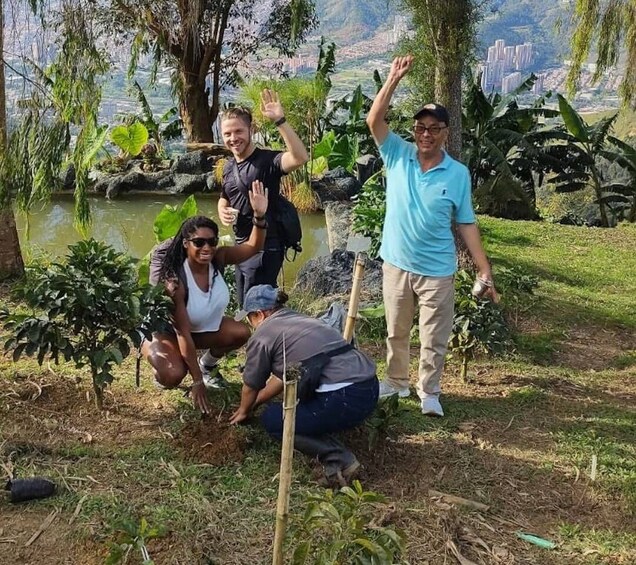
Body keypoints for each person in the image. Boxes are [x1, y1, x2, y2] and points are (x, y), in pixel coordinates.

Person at [366, 55, 499, 417]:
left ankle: (430, 392)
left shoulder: (457, 173)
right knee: (395, 331)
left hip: (438, 270)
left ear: (445, 133)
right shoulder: (397, 154)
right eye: (421, 127)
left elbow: (467, 223)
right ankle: (395, 383)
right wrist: (392, 78)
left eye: (434, 128)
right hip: (396, 263)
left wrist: (483, 269)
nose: (426, 134)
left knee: (433, 337)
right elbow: (374, 120)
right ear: (414, 130)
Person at [229, 285, 378, 485]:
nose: (251, 324)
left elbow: (251, 384)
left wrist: (244, 410)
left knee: (274, 419)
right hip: (370, 388)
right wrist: (255, 403)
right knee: (297, 408)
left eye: (250, 318)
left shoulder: (264, 334)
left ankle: (340, 459)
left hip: (344, 398)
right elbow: (282, 378)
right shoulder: (300, 321)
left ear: (259, 314)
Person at [143, 182, 269, 414]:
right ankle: (160, 369)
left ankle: (207, 365)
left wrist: (259, 216)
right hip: (166, 332)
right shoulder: (176, 283)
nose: (206, 247)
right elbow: (182, 334)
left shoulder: (218, 259)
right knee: (173, 375)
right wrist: (197, 382)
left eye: (211, 241)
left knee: (240, 332)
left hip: (198, 329)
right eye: (198, 242)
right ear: (185, 244)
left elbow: (252, 247)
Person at [218, 89, 309, 306]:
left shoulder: (268, 161)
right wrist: (222, 209)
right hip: (241, 246)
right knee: (245, 305)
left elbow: (300, 157)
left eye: (238, 131)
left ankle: (268, 339)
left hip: (265, 248)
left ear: (252, 129)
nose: (233, 138)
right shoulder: (229, 166)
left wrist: (280, 120)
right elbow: (225, 196)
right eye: (227, 134)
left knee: (259, 307)